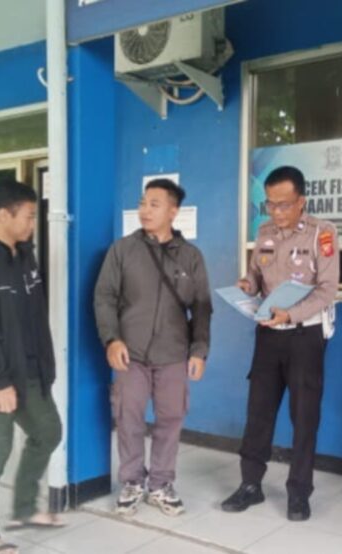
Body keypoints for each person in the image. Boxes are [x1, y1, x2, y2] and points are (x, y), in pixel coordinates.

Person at [221, 165, 340, 522]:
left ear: (301, 201)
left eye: (284, 204)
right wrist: (247, 285)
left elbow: (327, 290)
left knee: (304, 417)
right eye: (270, 204)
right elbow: (257, 276)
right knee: (258, 411)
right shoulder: (264, 232)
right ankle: (250, 485)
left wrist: (291, 314)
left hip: (305, 336)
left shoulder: (323, 233)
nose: (276, 212)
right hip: (268, 335)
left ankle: (299, 493)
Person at [94, 178, 212, 517]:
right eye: (142, 203)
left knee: (170, 418)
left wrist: (199, 350)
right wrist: (111, 339)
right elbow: (104, 297)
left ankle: (160, 484)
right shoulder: (122, 250)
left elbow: (202, 307)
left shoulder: (190, 256)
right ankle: (132, 481)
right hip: (130, 352)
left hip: (174, 353)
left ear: (173, 211)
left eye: (154, 204)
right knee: (128, 416)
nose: (144, 210)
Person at [0, 180, 63, 554]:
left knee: (48, 432)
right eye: (29, 216)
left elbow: (34, 320)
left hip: (31, 373)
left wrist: (45, 367)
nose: (33, 223)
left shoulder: (25, 258)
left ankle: (24, 508)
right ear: (4, 215)